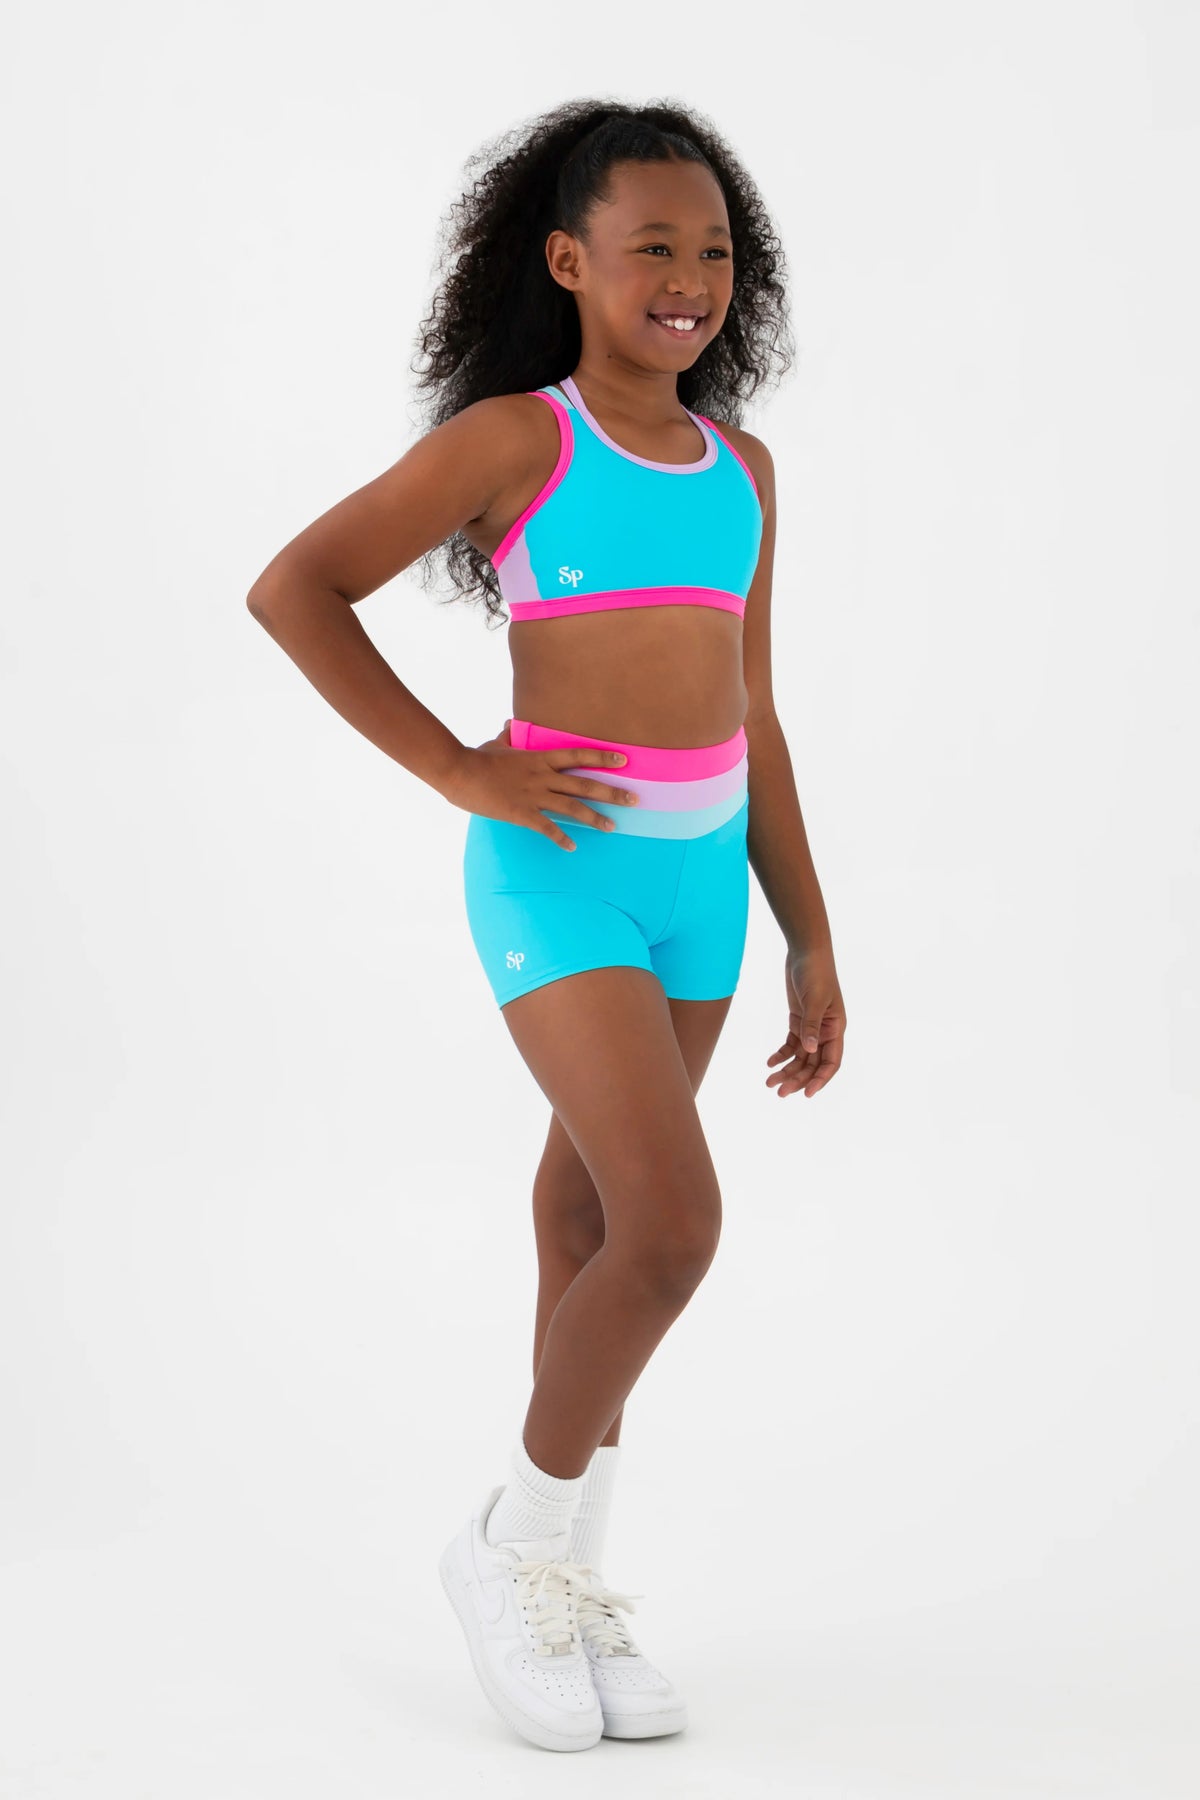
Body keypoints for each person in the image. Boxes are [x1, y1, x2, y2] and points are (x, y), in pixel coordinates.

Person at [246, 99, 846, 1754]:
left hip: (701, 890)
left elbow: (756, 709)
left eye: (714, 249)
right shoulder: (522, 442)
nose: (690, 277)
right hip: (559, 875)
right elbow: (296, 587)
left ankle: (564, 1581)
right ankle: (513, 1542)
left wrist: (807, 932)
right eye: (653, 247)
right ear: (570, 262)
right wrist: (457, 766)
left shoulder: (745, 472)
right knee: (673, 1227)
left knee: (588, 1221)